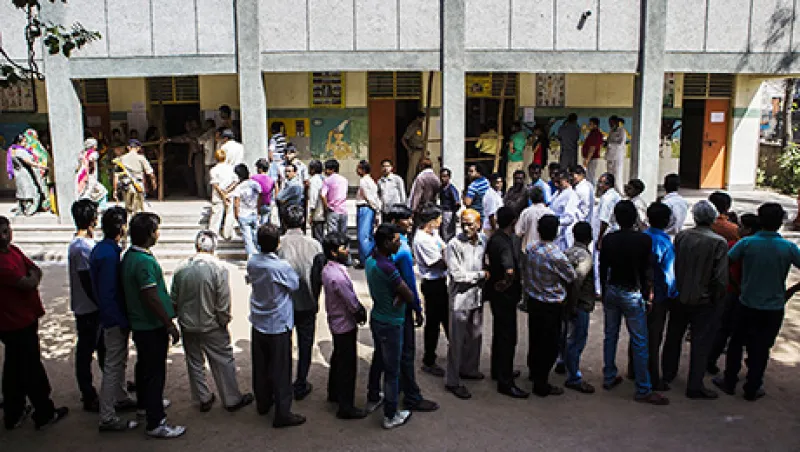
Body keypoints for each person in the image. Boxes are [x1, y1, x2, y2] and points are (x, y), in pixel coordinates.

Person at [714, 203, 800, 401]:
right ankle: (753, 386)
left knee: (736, 342)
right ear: (780, 223)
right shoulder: (788, 247)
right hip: (774, 306)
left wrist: (735, 284)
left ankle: (729, 380)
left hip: (746, 301)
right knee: (762, 347)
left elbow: (725, 263)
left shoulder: (747, 243)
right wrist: (791, 291)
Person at [171, 231, 254, 412]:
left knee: (194, 361)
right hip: (212, 324)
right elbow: (223, 301)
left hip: (188, 323)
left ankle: (203, 397)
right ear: (214, 247)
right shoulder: (218, 268)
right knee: (223, 361)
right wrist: (223, 321)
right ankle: (231, 399)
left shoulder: (181, 268)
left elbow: (174, 298)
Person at [0, 216, 69, 430]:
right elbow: (28, 281)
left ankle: (14, 410)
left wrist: (31, 276)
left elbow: (36, 271)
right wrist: (30, 277)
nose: (6, 236)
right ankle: (44, 411)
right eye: (1, 232)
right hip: (14, 322)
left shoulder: (14, 251)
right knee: (31, 368)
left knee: (14, 367)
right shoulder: (2, 263)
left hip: (26, 317)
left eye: (7, 230)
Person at [121, 213, 186, 437]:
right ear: (149, 234)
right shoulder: (142, 263)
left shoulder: (132, 256)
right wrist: (168, 323)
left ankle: (145, 404)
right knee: (155, 371)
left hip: (143, 324)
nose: (158, 233)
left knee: (145, 367)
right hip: (150, 325)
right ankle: (156, 421)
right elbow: (150, 296)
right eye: (156, 230)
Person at [599, 201, 668, 405]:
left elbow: (603, 268)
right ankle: (643, 387)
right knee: (639, 340)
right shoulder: (643, 240)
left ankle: (609, 375)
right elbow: (647, 271)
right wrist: (649, 295)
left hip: (612, 289)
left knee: (610, 335)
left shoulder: (609, 239)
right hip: (632, 292)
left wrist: (603, 291)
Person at [662, 201, 729, 399]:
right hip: (704, 300)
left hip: (680, 295)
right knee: (701, 343)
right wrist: (717, 299)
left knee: (673, 337)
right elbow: (720, 278)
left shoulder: (683, 236)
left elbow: (674, 265)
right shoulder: (718, 242)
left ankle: (667, 373)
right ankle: (695, 384)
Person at [248, 224, 306, 428]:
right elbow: (295, 284)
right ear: (277, 244)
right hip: (278, 324)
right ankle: (282, 412)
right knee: (281, 370)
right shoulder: (281, 267)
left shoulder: (253, 262)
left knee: (261, 366)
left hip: (258, 321)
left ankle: (263, 403)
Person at [384, 205, 439, 412]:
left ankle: (390, 390)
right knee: (406, 352)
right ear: (396, 222)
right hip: (401, 307)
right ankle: (411, 396)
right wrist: (416, 307)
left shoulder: (385, 245)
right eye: (406, 219)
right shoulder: (402, 250)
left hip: (388, 307)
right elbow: (408, 283)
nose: (410, 222)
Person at [90, 207, 138, 431]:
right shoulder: (109, 256)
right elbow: (108, 293)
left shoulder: (104, 249)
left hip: (112, 316)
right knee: (112, 365)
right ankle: (107, 415)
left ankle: (120, 396)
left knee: (118, 361)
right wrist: (118, 319)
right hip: (114, 318)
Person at [365, 223, 416, 429]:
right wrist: (402, 296)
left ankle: (373, 395)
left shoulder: (371, 260)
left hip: (378, 317)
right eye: (396, 241)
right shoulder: (388, 267)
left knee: (379, 359)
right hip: (391, 322)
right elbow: (409, 294)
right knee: (392, 371)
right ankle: (391, 414)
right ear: (386, 242)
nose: (399, 244)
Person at [524, 214, 576, 397]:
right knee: (550, 344)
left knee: (535, 338)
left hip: (534, 300)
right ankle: (541, 383)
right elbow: (571, 277)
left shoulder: (531, 249)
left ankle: (533, 372)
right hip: (551, 304)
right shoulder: (557, 256)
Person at [276, 205, 324, 401]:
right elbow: (319, 276)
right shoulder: (314, 245)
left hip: (285, 303)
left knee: (284, 343)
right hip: (308, 301)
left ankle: (284, 381)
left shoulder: (278, 245)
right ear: (303, 220)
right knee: (306, 344)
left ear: (284, 222)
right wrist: (316, 298)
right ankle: (301, 382)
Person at [321, 232, 369, 419]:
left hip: (336, 321)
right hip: (344, 323)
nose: (347, 250)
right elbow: (351, 301)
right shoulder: (337, 276)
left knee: (338, 357)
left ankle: (334, 393)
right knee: (347, 365)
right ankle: (345, 406)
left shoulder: (329, 269)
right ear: (333, 252)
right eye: (343, 248)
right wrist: (360, 312)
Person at [444, 209, 489, 400]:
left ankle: (469, 369)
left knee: (475, 336)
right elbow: (457, 275)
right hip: (460, 299)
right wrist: (481, 275)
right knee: (456, 341)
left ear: (478, 225)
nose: (466, 227)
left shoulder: (483, 241)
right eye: (463, 223)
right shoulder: (454, 245)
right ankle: (452, 381)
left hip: (476, 297)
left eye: (470, 224)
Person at [707, 213, 760, 375]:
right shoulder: (741, 245)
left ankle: (712, 361)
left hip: (733, 291)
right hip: (746, 292)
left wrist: (735, 285)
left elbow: (724, 267)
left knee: (725, 329)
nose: (738, 229)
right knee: (745, 332)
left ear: (749, 229)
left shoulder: (737, 245)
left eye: (742, 226)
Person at [486, 207, 528, 399]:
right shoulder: (504, 242)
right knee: (507, 337)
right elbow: (509, 270)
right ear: (513, 222)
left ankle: (498, 370)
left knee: (500, 333)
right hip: (505, 295)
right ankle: (505, 380)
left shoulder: (494, 238)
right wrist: (507, 283)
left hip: (496, 293)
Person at [636, 202, 679, 392]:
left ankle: (634, 369)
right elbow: (669, 274)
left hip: (639, 292)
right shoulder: (664, 243)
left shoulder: (643, 237)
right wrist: (673, 295)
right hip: (658, 296)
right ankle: (653, 377)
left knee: (638, 332)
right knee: (654, 337)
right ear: (667, 221)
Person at [68, 199, 104, 412]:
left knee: (103, 348)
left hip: (90, 306)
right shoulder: (80, 248)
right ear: (92, 219)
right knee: (86, 350)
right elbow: (86, 280)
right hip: (88, 308)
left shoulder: (85, 243)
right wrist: (100, 302)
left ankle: (112, 384)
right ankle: (87, 393)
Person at [412, 205, 449, 377]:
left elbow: (444, 248)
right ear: (432, 221)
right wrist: (453, 261)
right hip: (432, 283)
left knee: (447, 319)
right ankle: (429, 360)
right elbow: (437, 262)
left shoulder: (432, 234)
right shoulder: (422, 240)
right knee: (434, 323)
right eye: (439, 218)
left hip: (441, 281)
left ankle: (457, 351)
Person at [563, 221, 596, 394]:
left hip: (565, 301)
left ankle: (563, 363)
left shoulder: (567, 253)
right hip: (580, 304)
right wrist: (573, 304)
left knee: (566, 336)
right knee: (577, 340)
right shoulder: (585, 257)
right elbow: (578, 280)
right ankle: (574, 377)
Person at [593, 172, 621, 293]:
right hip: (613, 234)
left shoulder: (607, 198)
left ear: (607, 185)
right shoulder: (614, 195)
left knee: (601, 262)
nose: (599, 185)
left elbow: (604, 220)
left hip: (607, 234)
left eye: (601, 183)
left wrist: (599, 239)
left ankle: (600, 289)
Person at [7, 134, 48, 216]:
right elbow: (29, 162)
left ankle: (23, 209)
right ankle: (29, 210)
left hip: (19, 174)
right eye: (24, 142)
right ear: (19, 142)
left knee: (22, 192)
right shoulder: (20, 151)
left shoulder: (12, 150)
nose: (26, 144)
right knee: (30, 192)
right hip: (26, 175)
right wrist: (41, 166)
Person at [114, 139, 157, 215]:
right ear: (138, 148)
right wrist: (154, 183)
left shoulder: (121, 159)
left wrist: (115, 190)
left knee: (128, 209)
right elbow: (150, 173)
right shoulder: (141, 158)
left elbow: (116, 176)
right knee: (138, 210)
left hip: (126, 185)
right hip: (138, 185)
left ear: (128, 148)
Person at [231, 164, 262, 258]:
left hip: (243, 214)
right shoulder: (255, 184)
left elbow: (236, 203)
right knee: (256, 235)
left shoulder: (239, 187)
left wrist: (236, 214)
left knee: (247, 237)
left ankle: (251, 256)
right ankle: (260, 254)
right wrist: (258, 209)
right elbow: (260, 197)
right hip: (254, 212)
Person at [356, 160, 381, 267]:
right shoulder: (371, 180)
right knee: (368, 234)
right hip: (370, 208)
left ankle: (366, 260)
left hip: (365, 207)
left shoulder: (364, 181)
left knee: (363, 235)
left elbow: (368, 196)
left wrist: (375, 208)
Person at [208, 149, 237, 240]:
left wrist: (222, 194)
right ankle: (227, 233)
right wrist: (227, 191)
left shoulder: (214, 170)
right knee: (229, 214)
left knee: (216, 214)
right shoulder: (231, 168)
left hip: (218, 195)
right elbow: (235, 181)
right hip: (230, 193)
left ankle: (213, 234)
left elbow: (215, 184)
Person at [516, 186, 554, 252]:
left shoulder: (526, 212)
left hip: (528, 251)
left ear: (530, 198)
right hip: (546, 252)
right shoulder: (550, 213)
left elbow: (518, 232)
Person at [549, 170, 580, 250]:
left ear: (566, 181)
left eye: (558, 182)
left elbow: (569, 218)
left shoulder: (571, 195)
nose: (556, 184)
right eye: (554, 182)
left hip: (563, 233)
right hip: (554, 232)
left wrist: (556, 222)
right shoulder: (557, 193)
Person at [408, 158, 441, 227]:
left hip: (421, 209)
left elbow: (416, 195)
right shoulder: (435, 178)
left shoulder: (421, 177)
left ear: (421, 166)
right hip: (432, 208)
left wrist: (412, 210)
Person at [321, 159, 348, 235]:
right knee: (343, 234)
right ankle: (344, 247)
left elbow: (323, 195)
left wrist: (326, 206)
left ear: (332, 169)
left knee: (332, 235)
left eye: (326, 169)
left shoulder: (327, 180)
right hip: (343, 210)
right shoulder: (344, 180)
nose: (325, 171)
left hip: (332, 210)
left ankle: (334, 247)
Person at [401, 111, 427, 189]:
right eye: (421, 118)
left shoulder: (421, 127)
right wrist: (409, 149)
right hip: (415, 150)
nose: (422, 120)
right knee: (412, 171)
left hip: (421, 150)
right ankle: (409, 188)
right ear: (417, 118)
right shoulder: (413, 127)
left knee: (422, 169)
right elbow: (404, 139)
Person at [276, 162, 304, 231]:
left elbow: (279, 197)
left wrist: (276, 185)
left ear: (295, 173)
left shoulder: (293, 185)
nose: (287, 173)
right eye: (285, 171)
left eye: (289, 171)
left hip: (290, 213)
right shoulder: (290, 183)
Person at [439, 167, 461, 243]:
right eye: (441, 176)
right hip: (443, 212)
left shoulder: (451, 189)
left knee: (448, 233)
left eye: (445, 176)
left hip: (449, 212)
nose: (442, 178)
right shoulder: (442, 188)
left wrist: (453, 213)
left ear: (449, 177)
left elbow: (457, 202)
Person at [307, 160, 326, 242]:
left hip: (317, 212)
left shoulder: (314, 180)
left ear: (313, 169)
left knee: (317, 236)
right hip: (322, 211)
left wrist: (311, 213)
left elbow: (313, 197)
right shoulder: (323, 179)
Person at [198, 119, 218, 199]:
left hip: (209, 159)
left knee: (209, 177)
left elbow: (200, 141)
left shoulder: (208, 133)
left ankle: (210, 194)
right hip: (217, 159)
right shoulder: (216, 132)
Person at [581, 118, 604, 183]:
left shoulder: (595, 134)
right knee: (589, 175)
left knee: (590, 176)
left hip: (592, 158)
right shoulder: (592, 133)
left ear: (595, 125)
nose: (589, 125)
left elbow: (592, 147)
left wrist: (587, 159)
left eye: (590, 124)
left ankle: (591, 191)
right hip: (590, 158)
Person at [606, 116, 627, 182]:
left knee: (617, 174)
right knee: (610, 174)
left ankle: (618, 191)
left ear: (615, 122)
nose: (610, 124)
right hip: (610, 155)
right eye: (609, 123)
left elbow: (621, 142)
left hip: (617, 156)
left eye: (611, 122)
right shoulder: (611, 131)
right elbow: (608, 140)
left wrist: (610, 144)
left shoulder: (621, 131)